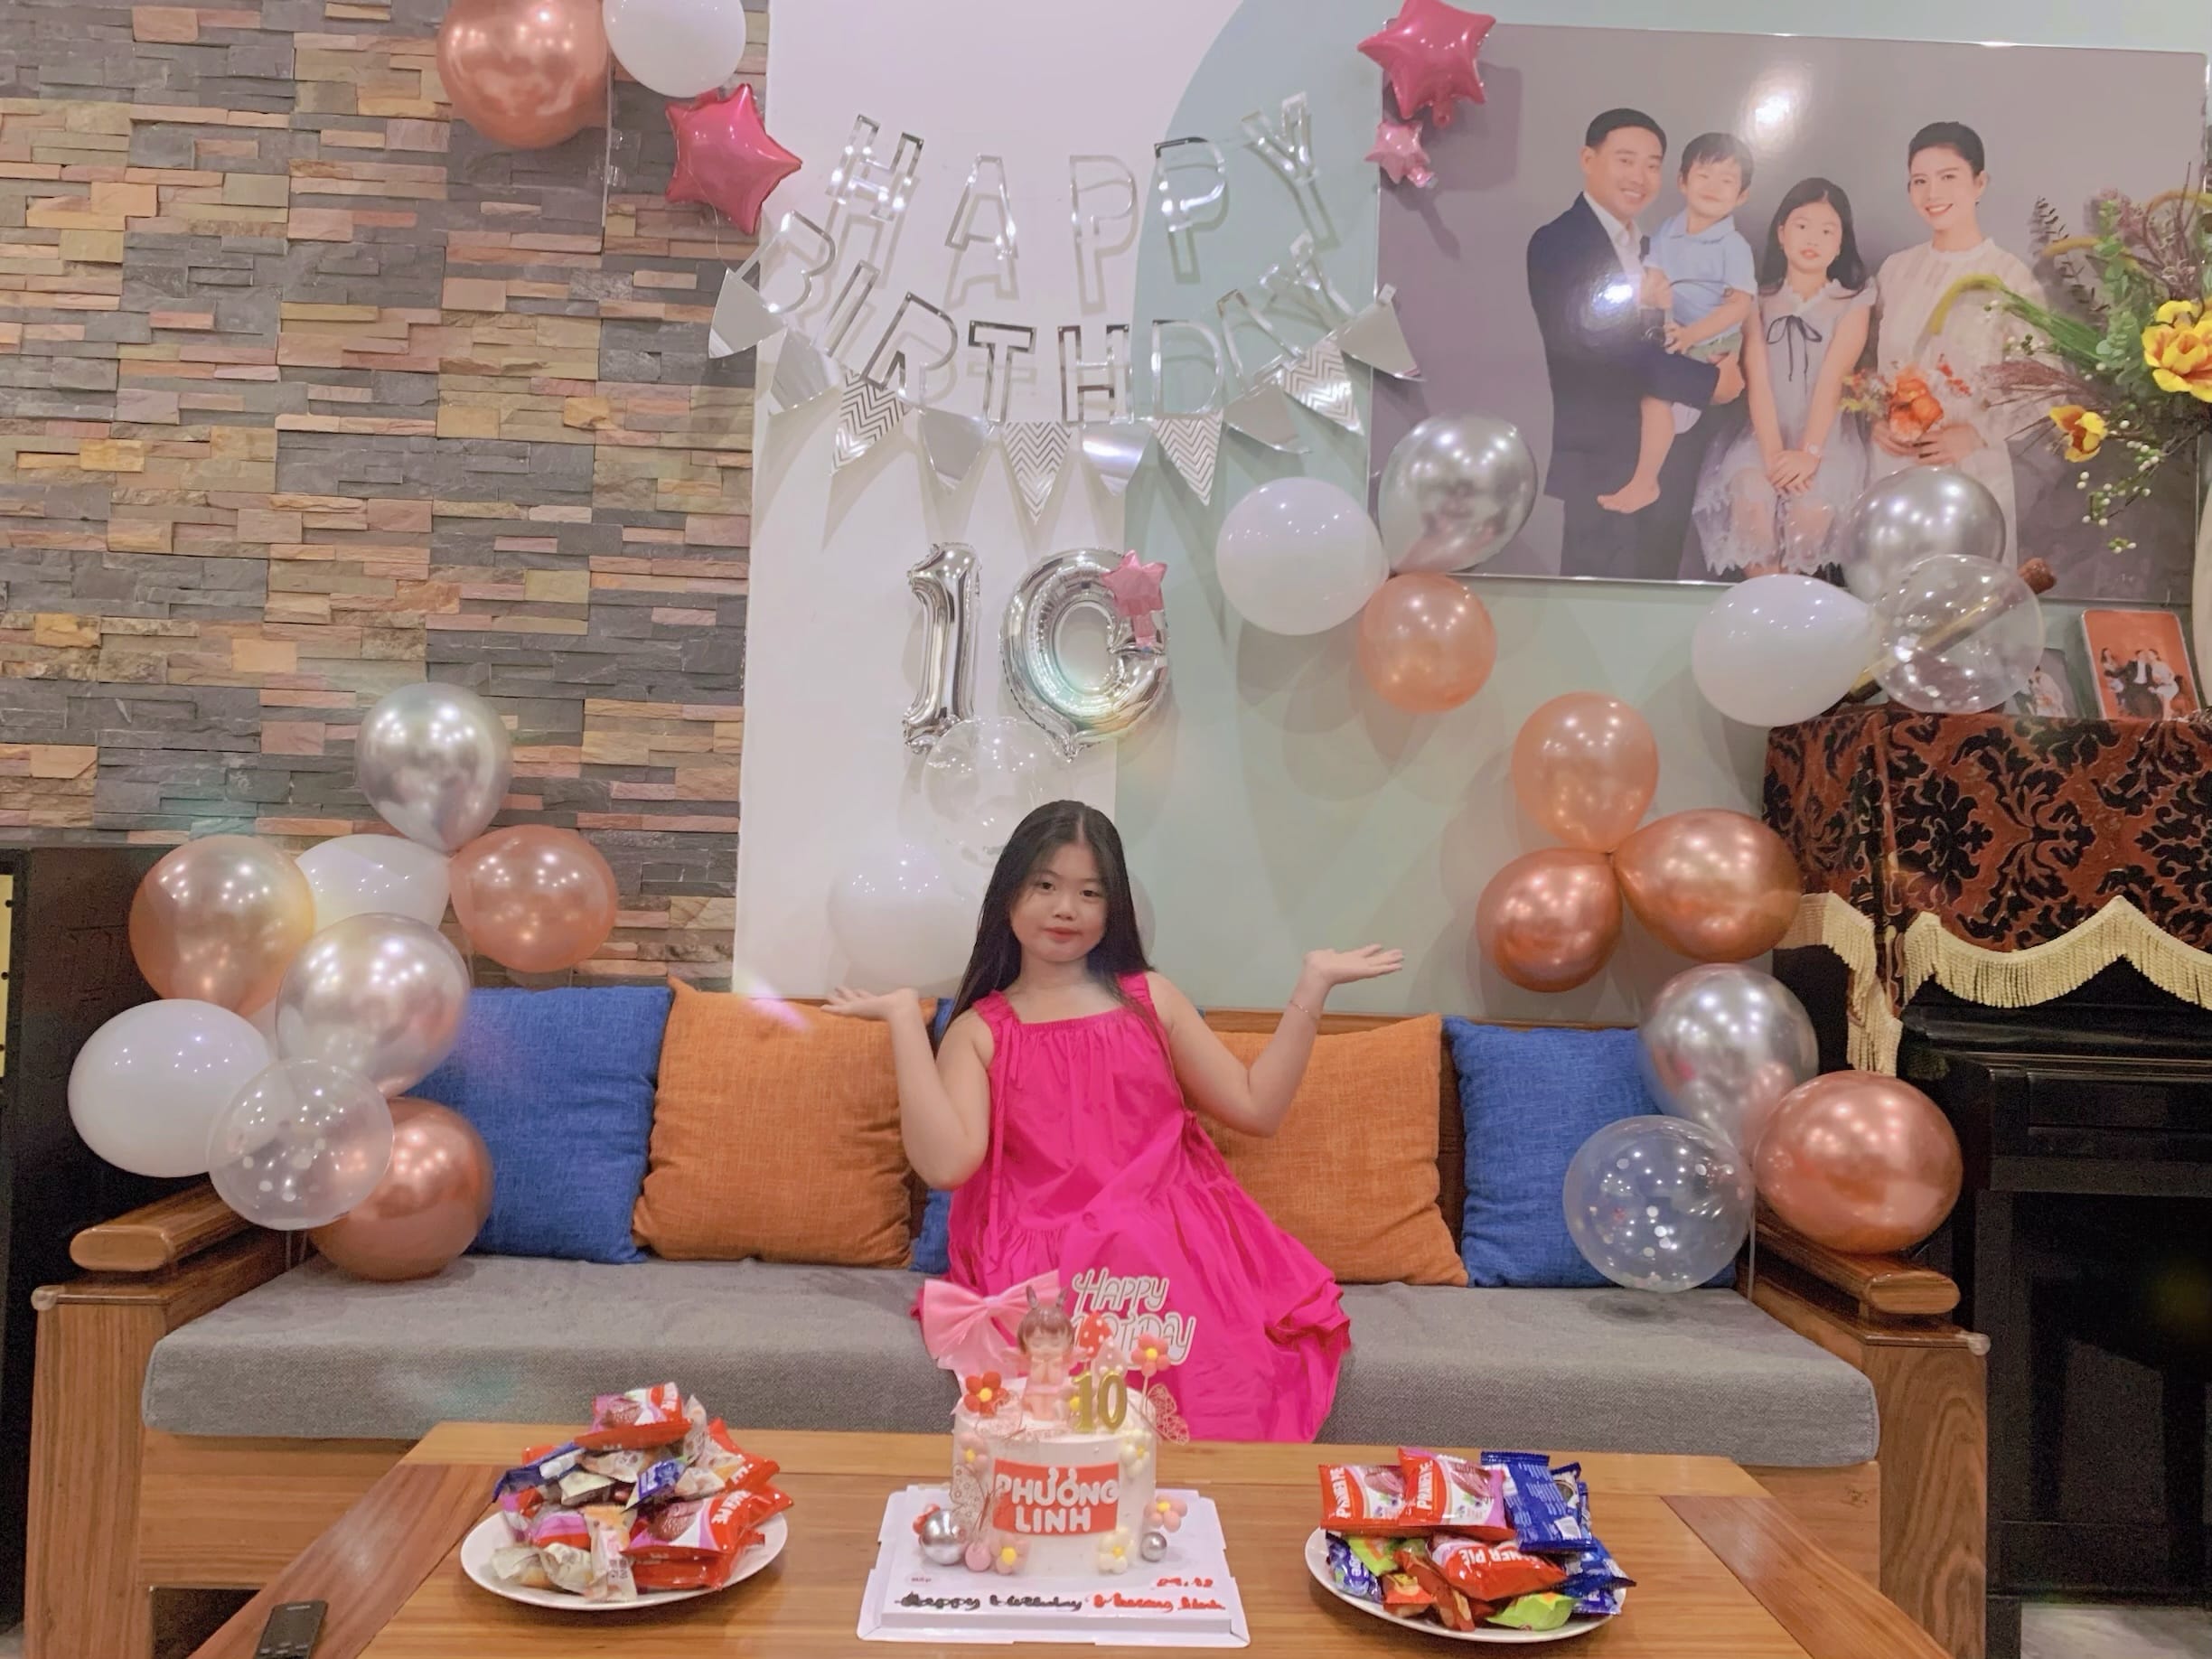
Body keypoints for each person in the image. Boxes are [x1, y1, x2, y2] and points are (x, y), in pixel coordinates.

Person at [825, 801, 1401, 1441]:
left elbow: (1255, 1107)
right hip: (1045, 1251)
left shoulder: (1151, 1000)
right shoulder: (981, 1030)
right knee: (1107, 1285)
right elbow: (947, 1164)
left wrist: (1312, 986)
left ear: (1113, 907)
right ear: (1008, 895)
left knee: (1153, 1271)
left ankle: (1191, 1485)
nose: (1065, 908)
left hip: (1167, 1230)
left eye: (1089, 892)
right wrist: (906, 1021)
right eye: (1045, 885)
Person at [1526, 108, 1744, 581]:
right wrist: (1711, 382)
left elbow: (1654, 334)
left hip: (1670, 453)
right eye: (1625, 160)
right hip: (1604, 460)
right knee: (1597, 599)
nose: (1639, 177)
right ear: (1588, 159)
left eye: (1652, 165)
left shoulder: (1649, 248)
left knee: (1656, 589)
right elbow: (1600, 347)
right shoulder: (1561, 242)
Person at [1868, 121, 2048, 563]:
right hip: (1894, 470)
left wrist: (1975, 434)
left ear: (1979, 182)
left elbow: (2046, 384)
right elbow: (1872, 364)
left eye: (1948, 177)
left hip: (1970, 476)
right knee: (1890, 588)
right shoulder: (1895, 271)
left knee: (1964, 595)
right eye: (1919, 181)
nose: (1932, 193)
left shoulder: (2010, 277)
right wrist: (1876, 419)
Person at [1692, 178, 1873, 577]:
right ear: (1781, 232)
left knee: (1809, 509)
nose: (1813, 239)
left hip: (1827, 441)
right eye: (1802, 225)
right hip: (1763, 437)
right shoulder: (1756, 300)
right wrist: (1775, 459)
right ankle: (1766, 607)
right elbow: (1757, 380)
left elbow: (1833, 377)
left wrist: (1809, 454)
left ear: (1840, 243)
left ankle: (1787, 609)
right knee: (1753, 494)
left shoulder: (1855, 300)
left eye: (1827, 231)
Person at [1599, 133, 1757, 517]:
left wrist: (1692, 336)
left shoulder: (1733, 246)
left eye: (1726, 180)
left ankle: (1645, 482)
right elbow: (1653, 274)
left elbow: (1739, 307)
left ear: (1741, 196)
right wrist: (1653, 293)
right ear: (1682, 181)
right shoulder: (1669, 229)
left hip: (1709, 342)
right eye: (1704, 176)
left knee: (1657, 399)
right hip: (1672, 333)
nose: (1713, 187)